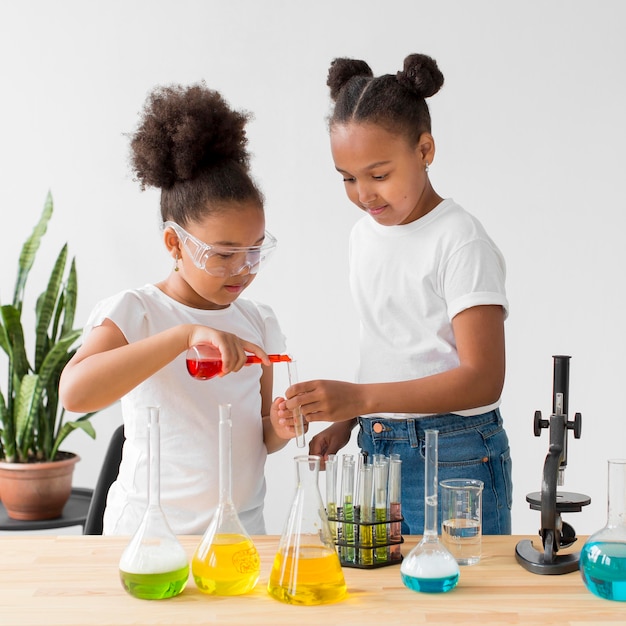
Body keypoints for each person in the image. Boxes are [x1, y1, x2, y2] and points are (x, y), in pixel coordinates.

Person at [281, 54, 512, 535]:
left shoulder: (460, 240)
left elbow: (483, 379)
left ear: (425, 150)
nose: (363, 194)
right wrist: (351, 419)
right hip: (377, 446)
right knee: (387, 599)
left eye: (378, 174)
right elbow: (395, 350)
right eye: (347, 177)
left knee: (465, 596)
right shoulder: (363, 237)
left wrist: (358, 397)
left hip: (455, 455)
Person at [60, 83, 296, 535]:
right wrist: (184, 336)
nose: (242, 270)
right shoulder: (138, 313)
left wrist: (282, 427)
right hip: (149, 538)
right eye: (224, 254)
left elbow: (261, 432)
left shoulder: (257, 321)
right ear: (174, 243)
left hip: (239, 536)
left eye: (253, 252)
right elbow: (74, 393)